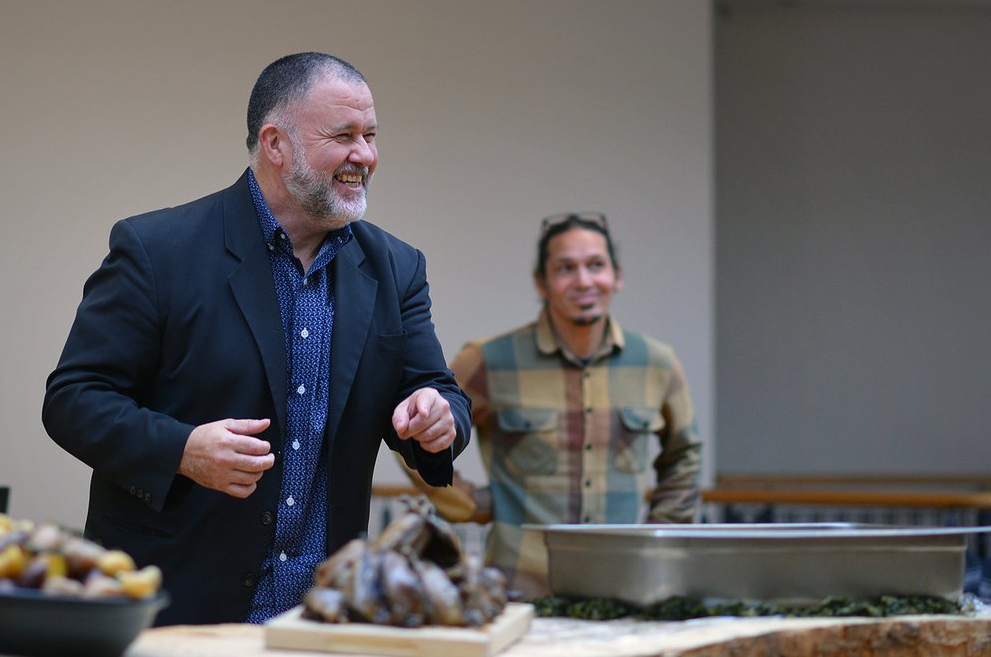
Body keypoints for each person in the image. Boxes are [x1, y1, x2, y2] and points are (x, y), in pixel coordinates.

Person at [42, 52, 471, 626]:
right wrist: (182, 451)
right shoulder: (157, 249)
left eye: (371, 136)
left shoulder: (396, 266)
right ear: (276, 144)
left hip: (326, 617)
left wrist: (440, 420)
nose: (364, 156)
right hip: (177, 608)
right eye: (343, 136)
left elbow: (436, 391)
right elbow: (74, 399)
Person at [404, 212, 702, 599]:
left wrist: (655, 539)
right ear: (541, 282)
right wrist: (466, 503)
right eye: (566, 268)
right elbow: (419, 424)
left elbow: (685, 455)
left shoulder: (657, 363)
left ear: (617, 275)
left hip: (624, 590)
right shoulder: (490, 360)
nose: (583, 281)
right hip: (517, 591)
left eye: (596, 265)